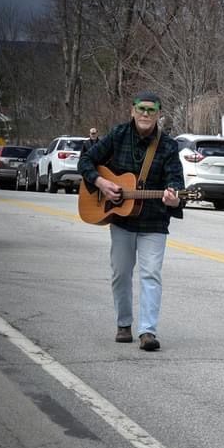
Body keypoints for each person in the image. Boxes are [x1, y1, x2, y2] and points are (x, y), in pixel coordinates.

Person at [78, 91, 185, 351]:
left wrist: (174, 197)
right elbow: (86, 160)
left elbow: (176, 183)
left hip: (154, 222)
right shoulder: (118, 135)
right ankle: (123, 324)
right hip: (121, 221)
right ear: (132, 110)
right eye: (141, 109)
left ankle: (148, 331)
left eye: (152, 110)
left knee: (151, 275)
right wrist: (102, 183)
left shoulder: (168, 146)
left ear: (159, 114)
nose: (146, 114)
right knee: (120, 273)